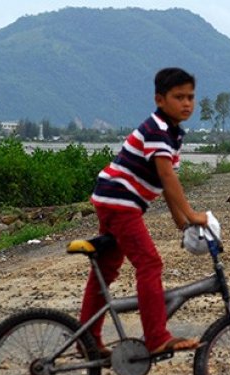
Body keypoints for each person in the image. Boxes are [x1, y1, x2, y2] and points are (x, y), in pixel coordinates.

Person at [79, 67, 212, 356]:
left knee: (107, 268)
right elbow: (167, 177)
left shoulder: (172, 133)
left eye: (191, 97)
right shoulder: (156, 130)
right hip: (120, 202)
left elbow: (167, 187)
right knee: (150, 265)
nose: (187, 103)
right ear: (160, 100)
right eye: (179, 97)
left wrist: (182, 225)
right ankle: (156, 338)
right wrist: (192, 215)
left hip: (114, 200)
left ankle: (87, 340)